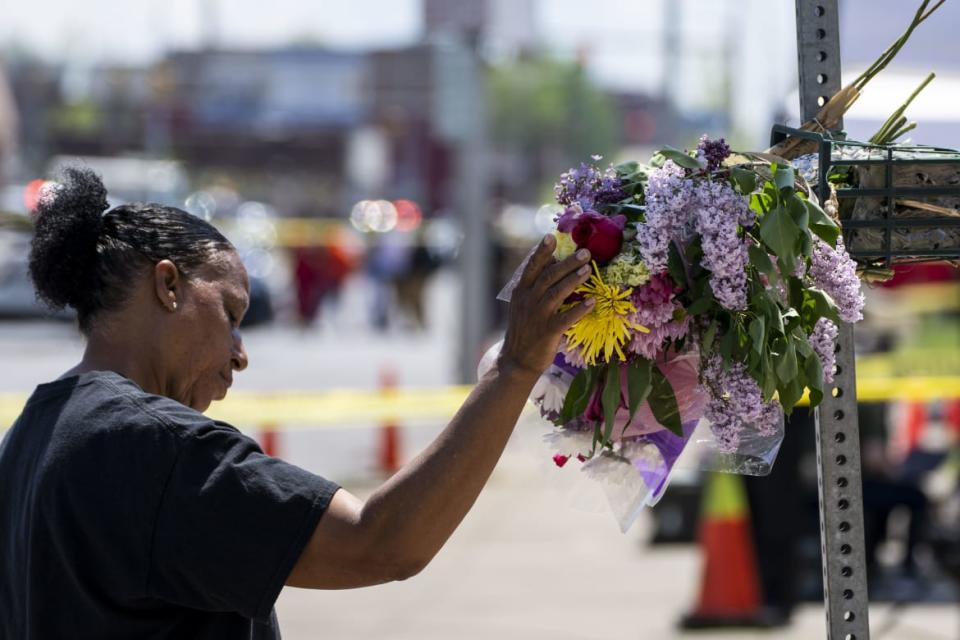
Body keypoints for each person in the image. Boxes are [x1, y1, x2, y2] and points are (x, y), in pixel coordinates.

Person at [0, 167, 595, 638]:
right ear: (169, 285)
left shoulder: (31, 433)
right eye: (231, 316)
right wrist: (515, 367)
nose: (239, 354)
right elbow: (381, 543)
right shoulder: (153, 447)